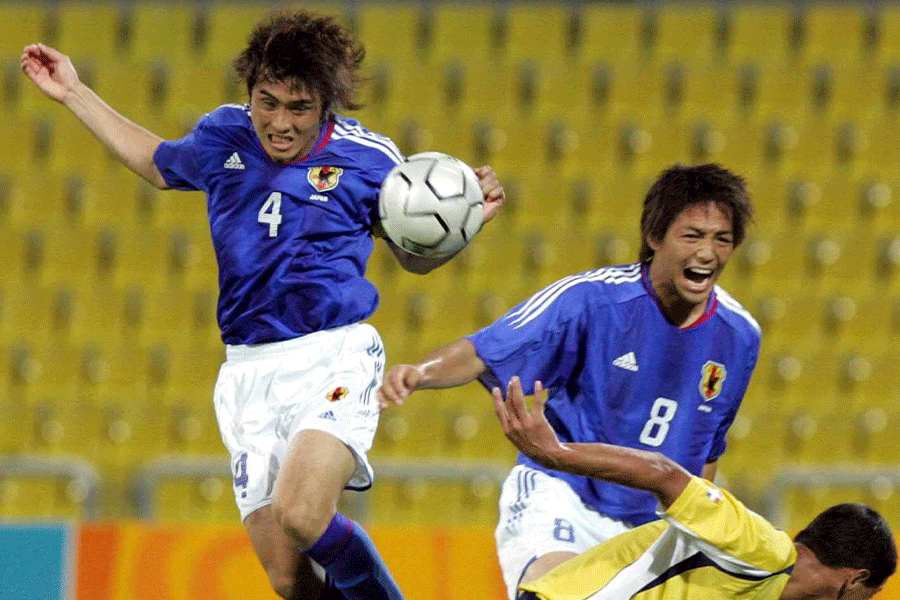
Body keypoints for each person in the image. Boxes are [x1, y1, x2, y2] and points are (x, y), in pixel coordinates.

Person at [21, 11, 504, 600]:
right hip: (247, 369)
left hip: (333, 354)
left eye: (298, 108)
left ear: (327, 104)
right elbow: (157, 163)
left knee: (302, 516)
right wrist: (73, 91)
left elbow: (414, 260)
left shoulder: (373, 160)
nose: (278, 123)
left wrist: (459, 225)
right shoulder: (222, 135)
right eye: (266, 102)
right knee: (286, 578)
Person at [378, 164, 758, 598]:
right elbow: (484, 350)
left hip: (650, 527)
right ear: (654, 238)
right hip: (563, 494)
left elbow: (707, 450)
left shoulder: (741, 336)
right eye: (692, 236)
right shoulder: (590, 300)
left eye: (721, 239)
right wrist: (418, 374)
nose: (707, 252)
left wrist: (696, 527)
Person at [494, 377, 897, 600]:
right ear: (855, 579)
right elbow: (666, 475)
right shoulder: (763, 550)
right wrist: (557, 454)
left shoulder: (767, 585)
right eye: (871, 596)